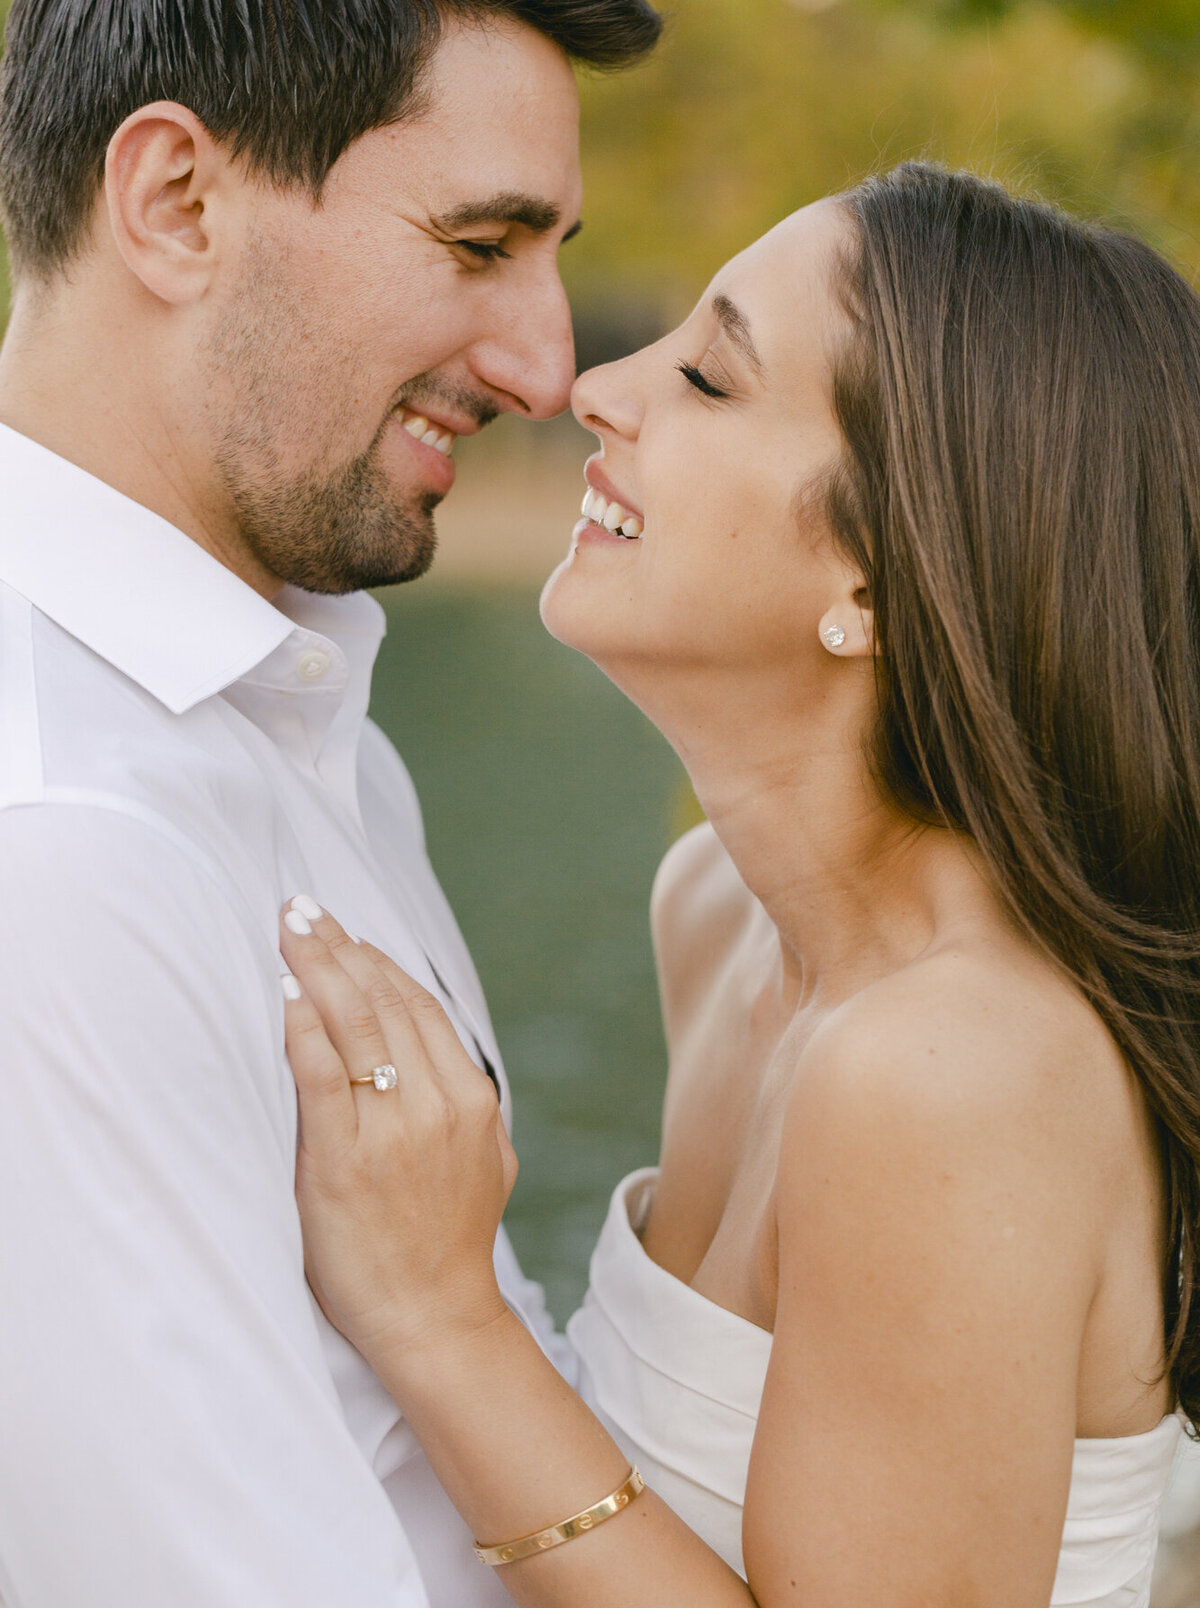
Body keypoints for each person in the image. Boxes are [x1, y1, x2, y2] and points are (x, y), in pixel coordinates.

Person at [278, 162, 1200, 1608]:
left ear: (878, 581)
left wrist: (446, 1319)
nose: (597, 387)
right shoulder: (713, 911)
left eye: (708, 380)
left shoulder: (950, 1071)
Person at [0, 0, 660, 1607]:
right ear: (177, 203)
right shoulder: (56, 851)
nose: (544, 364)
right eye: (477, 241)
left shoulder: (305, 727)